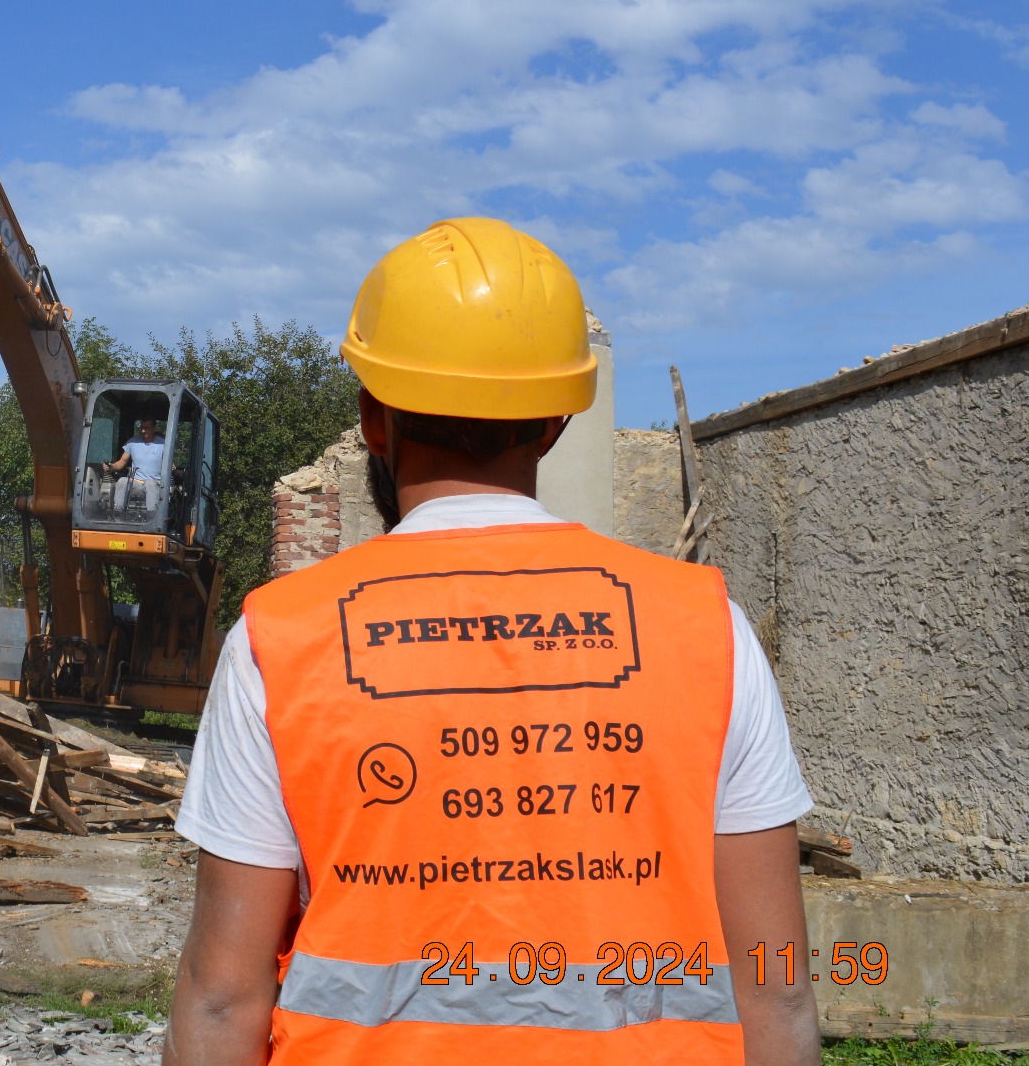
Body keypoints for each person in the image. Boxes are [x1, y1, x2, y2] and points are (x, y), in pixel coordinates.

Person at [165, 217, 820, 1066]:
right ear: (554, 420)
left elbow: (221, 997)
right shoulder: (706, 628)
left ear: (372, 417)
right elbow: (775, 986)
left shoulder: (278, 643)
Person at [107, 416, 167, 517]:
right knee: (122, 481)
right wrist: (111, 466)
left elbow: (170, 464)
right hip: (136, 481)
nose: (143, 431)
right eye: (142, 428)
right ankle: (117, 515)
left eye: (146, 428)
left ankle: (151, 517)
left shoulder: (163, 444)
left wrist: (172, 467)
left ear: (154, 428)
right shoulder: (133, 442)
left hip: (155, 481)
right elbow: (121, 462)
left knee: (150, 484)